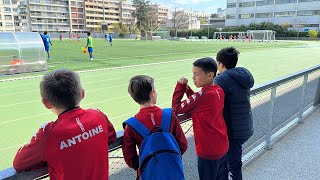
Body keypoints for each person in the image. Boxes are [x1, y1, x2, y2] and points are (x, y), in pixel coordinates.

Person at [13, 69, 117, 180]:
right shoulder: (98, 116)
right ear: (82, 94)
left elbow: (19, 163)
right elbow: (111, 138)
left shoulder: (48, 134)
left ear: (46, 103)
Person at [172, 58, 229, 180]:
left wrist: (180, 87)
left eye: (197, 74)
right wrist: (187, 89)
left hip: (208, 150)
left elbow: (176, 108)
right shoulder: (218, 90)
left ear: (210, 75)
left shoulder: (201, 96)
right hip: (222, 145)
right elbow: (197, 101)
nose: (193, 78)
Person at [122, 75, 188, 179]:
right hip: (172, 170)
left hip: (149, 173)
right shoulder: (169, 115)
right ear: (152, 93)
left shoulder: (131, 125)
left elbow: (129, 158)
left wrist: (146, 163)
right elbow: (183, 144)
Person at [214, 47, 254, 180]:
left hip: (232, 129)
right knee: (230, 159)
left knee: (231, 163)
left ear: (221, 64)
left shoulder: (221, 80)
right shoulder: (243, 75)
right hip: (245, 126)